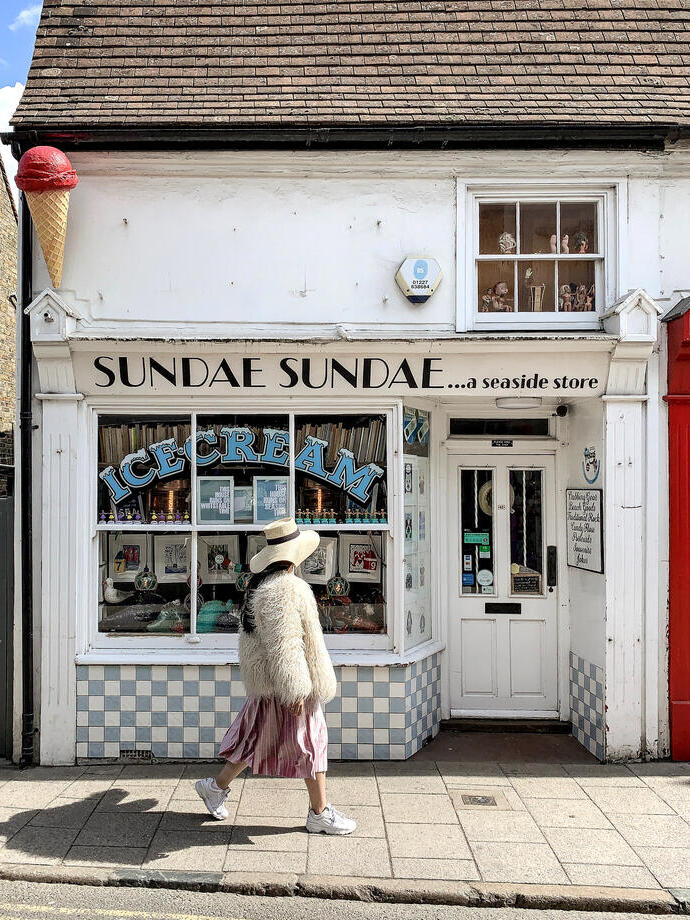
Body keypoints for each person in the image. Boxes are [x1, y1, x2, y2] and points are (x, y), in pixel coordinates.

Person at [195, 517, 356, 835]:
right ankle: (319, 813)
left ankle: (215, 787)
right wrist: (295, 689)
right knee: (312, 743)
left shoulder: (265, 586)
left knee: (254, 740)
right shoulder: (285, 588)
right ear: (295, 554)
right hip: (290, 684)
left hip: (269, 684)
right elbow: (286, 643)